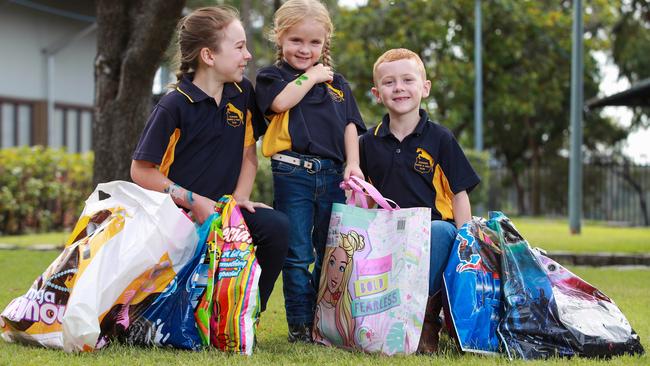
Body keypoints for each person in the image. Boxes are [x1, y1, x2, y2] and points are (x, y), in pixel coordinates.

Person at [130, 6, 289, 315]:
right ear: (209, 56)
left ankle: (244, 317)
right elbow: (140, 170)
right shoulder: (173, 105)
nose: (248, 56)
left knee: (276, 228)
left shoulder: (242, 93)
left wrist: (240, 198)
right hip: (174, 220)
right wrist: (192, 200)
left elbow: (248, 154)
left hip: (221, 214)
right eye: (239, 47)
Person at [254, 0, 366, 343]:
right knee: (298, 251)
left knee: (331, 251)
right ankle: (300, 326)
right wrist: (312, 74)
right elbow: (281, 103)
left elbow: (351, 125)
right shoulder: (272, 77)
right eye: (296, 41)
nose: (305, 49)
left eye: (314, 43)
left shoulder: (338, 84)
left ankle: (325, 322)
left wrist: (353, 163)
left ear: (325, 42)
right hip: (294, 174)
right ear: (280, 38)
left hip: (333, 175)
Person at [359, 48, 480, 354]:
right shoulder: (367, 142)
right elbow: (359, 197)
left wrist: (466, 240)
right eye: (389, 82)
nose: (398, 87)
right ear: (376, 93)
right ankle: (373, 319)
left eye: (407, 80)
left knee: (444, 232)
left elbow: (459, 193)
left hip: (429, 237)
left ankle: (425, 323)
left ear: (425, 88)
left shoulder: (440, 138)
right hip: (386, 236)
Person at [313, 231, 365, 348]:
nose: (335, 275)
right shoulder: (322, 302)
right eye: (331, 262)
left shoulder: (346, 307)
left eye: (342, 268)